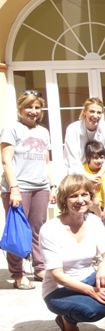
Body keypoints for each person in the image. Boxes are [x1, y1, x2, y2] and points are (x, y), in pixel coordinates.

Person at [40, 175, 105, 331]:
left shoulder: (94, 221)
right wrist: (92, 291)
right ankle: (67, 319)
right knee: (96, 310)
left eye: (84, 194)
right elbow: (57, 276)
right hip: (59, 290)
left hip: (89, 278)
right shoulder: (50, 229)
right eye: (73, 196)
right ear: (64, 199)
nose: (80, 200)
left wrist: (103, 266)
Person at [1, 89, 57, 288]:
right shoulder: (12, 129)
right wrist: (14, 188)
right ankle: (18, 274)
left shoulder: (43, 132)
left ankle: (39, 268)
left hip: (40, 187)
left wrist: (52, 186)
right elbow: (6, 161)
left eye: (37, 107)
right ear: (20, 108)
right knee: (17, 231)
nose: (33, 111)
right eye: (29, 107)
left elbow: (47, 162)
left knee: (38, 229)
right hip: (19, 188)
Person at [63, 97, 105, 176]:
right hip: (76, 175)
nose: (95, 115)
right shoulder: (73, 129)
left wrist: (98, 176)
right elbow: (73, 160)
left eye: (99, 112)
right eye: (92, 111)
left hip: (99, 173)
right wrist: (88, 177)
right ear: (84, 111)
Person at [83, 141, 105, 229]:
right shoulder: (83, 170)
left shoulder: (103, 172)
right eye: (95, 158)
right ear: (88, 158)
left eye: (101, 157)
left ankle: (103, 219)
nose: (99, 160)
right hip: (87, 205)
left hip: (101, 206)